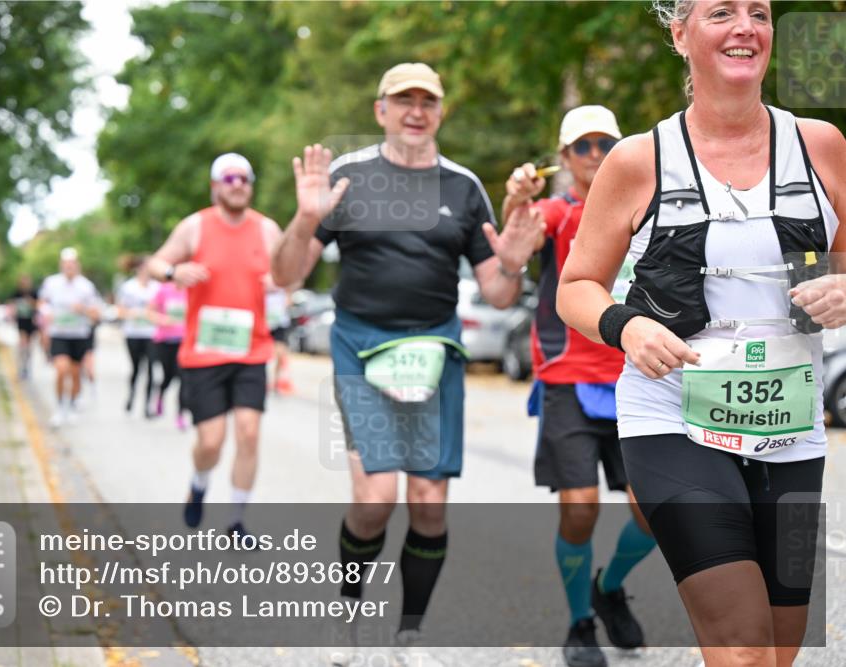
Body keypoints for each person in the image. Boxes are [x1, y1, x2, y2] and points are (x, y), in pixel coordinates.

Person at [557, 2, 845, 665]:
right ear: (680, 34)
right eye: (722, 12)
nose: (746, 26)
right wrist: (627, 326)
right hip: (672, 419)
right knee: (741, 645)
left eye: (760, 12)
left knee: (778, 650)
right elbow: (577, 286)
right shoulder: (638, 160)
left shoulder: (822, 146)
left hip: (790, 425)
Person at [271, 63, 543, 664]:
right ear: (381, 111)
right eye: (403, 101)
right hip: (361, 348)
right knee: (375, 499)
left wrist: (517, 261)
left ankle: (410, 634)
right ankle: (347, 616)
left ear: (441, 112)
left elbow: (497, 292)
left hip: (435, 351)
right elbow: (285, 275)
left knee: (428, 501)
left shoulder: (464, 188)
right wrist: (308, 216)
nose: (415, 111)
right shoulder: (349, 177)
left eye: (428, 101)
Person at [504, 106, 657, 667]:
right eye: (583, 146)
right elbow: (520, 231)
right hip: (567, 380)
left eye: (605, 144)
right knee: (581, 508)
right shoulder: (556, 208)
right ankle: (579, 623)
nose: (595, 154)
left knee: (653, 513)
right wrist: (514, 200)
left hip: (637, 376)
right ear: (564, 157)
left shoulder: (646, 207)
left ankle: (609, 586)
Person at [149, 153, 280, 540]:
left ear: (251, 186)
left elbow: (288, 271)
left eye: (244, 178)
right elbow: (156, 263)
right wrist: (175, 271)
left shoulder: (267, 229)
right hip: (204, 352)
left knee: (249, 432)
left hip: (252, 349)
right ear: (215, 186)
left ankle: (236, 521)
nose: (237, 184)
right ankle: (199, 482)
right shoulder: (195, 226)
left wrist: (281, 282)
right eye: (229, 178)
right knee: (211, 441)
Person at [39, 248, 102, 428]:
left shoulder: (86, 286)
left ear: (77, 266)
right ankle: (59, 408)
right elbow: (42, 303)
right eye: (66, 265)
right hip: (59, 334)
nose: (69, 268)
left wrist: (82, 309)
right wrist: (46, 314)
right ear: (61, 265)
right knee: (61, 369)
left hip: (79, 335)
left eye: (72, 265)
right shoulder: (51, 283)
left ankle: (73, 403)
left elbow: (96, 313)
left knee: (75, 374)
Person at [116, 256, 160, 418]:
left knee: (151, 369)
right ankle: (132, 396)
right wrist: (133, 313)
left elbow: (162, 309)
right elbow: (120, 311)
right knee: (136, 368)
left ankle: (148, 406)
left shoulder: (157, 288)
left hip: (152, 334)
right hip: (133, 333)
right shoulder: (129, 288)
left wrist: (153, 313)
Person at [148, 275, 190, 428]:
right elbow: (150, 311)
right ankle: (160, 395)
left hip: (185, 342)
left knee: (183, 378)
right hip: (164, 341)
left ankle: (180, 414)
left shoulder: (191, 291)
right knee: (168, 376)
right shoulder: (164, 290)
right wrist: (162, 319)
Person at [7, 275, 39, 379]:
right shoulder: (17, 293)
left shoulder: (34, 292)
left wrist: (31, 302)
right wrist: (13, 310)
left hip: (32, 322)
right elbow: (11, 304)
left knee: (29, 347)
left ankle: (27, 366)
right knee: (22, 344)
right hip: (21, 322)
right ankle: (22, 367)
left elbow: (39, 305)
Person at [265, 285, 295, 395]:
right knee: (263, 352)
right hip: (265, 321)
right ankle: (265, 379)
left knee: (280, 352)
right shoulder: (265, 281)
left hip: (280, 323)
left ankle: (276, 381)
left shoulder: (284, 283)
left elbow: (290, 301)